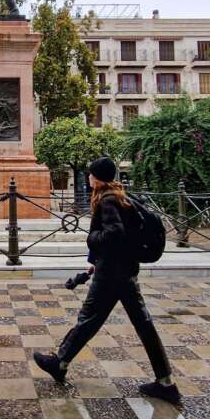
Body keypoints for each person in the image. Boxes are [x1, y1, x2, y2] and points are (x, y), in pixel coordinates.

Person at [33, 156, 180, 405]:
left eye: (91, 174)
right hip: (124, 269)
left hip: (112, 273)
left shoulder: (108, 199)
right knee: (141, 324)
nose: (88, 177)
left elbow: (114, 233)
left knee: (89, 318)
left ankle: (60, 362)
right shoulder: (120, 195)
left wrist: (92, 239)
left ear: (97, 177)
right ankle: (165, 382)